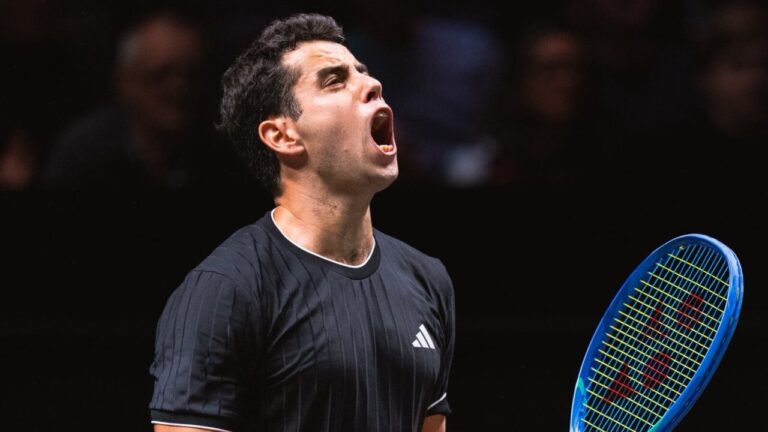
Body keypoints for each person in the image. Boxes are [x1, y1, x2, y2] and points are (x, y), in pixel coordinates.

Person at [148, 13, 455, 432]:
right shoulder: (224, 289)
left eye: (363, 73)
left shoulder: (427, 280)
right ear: (284, 136)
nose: (372, 85)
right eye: (334, 81)